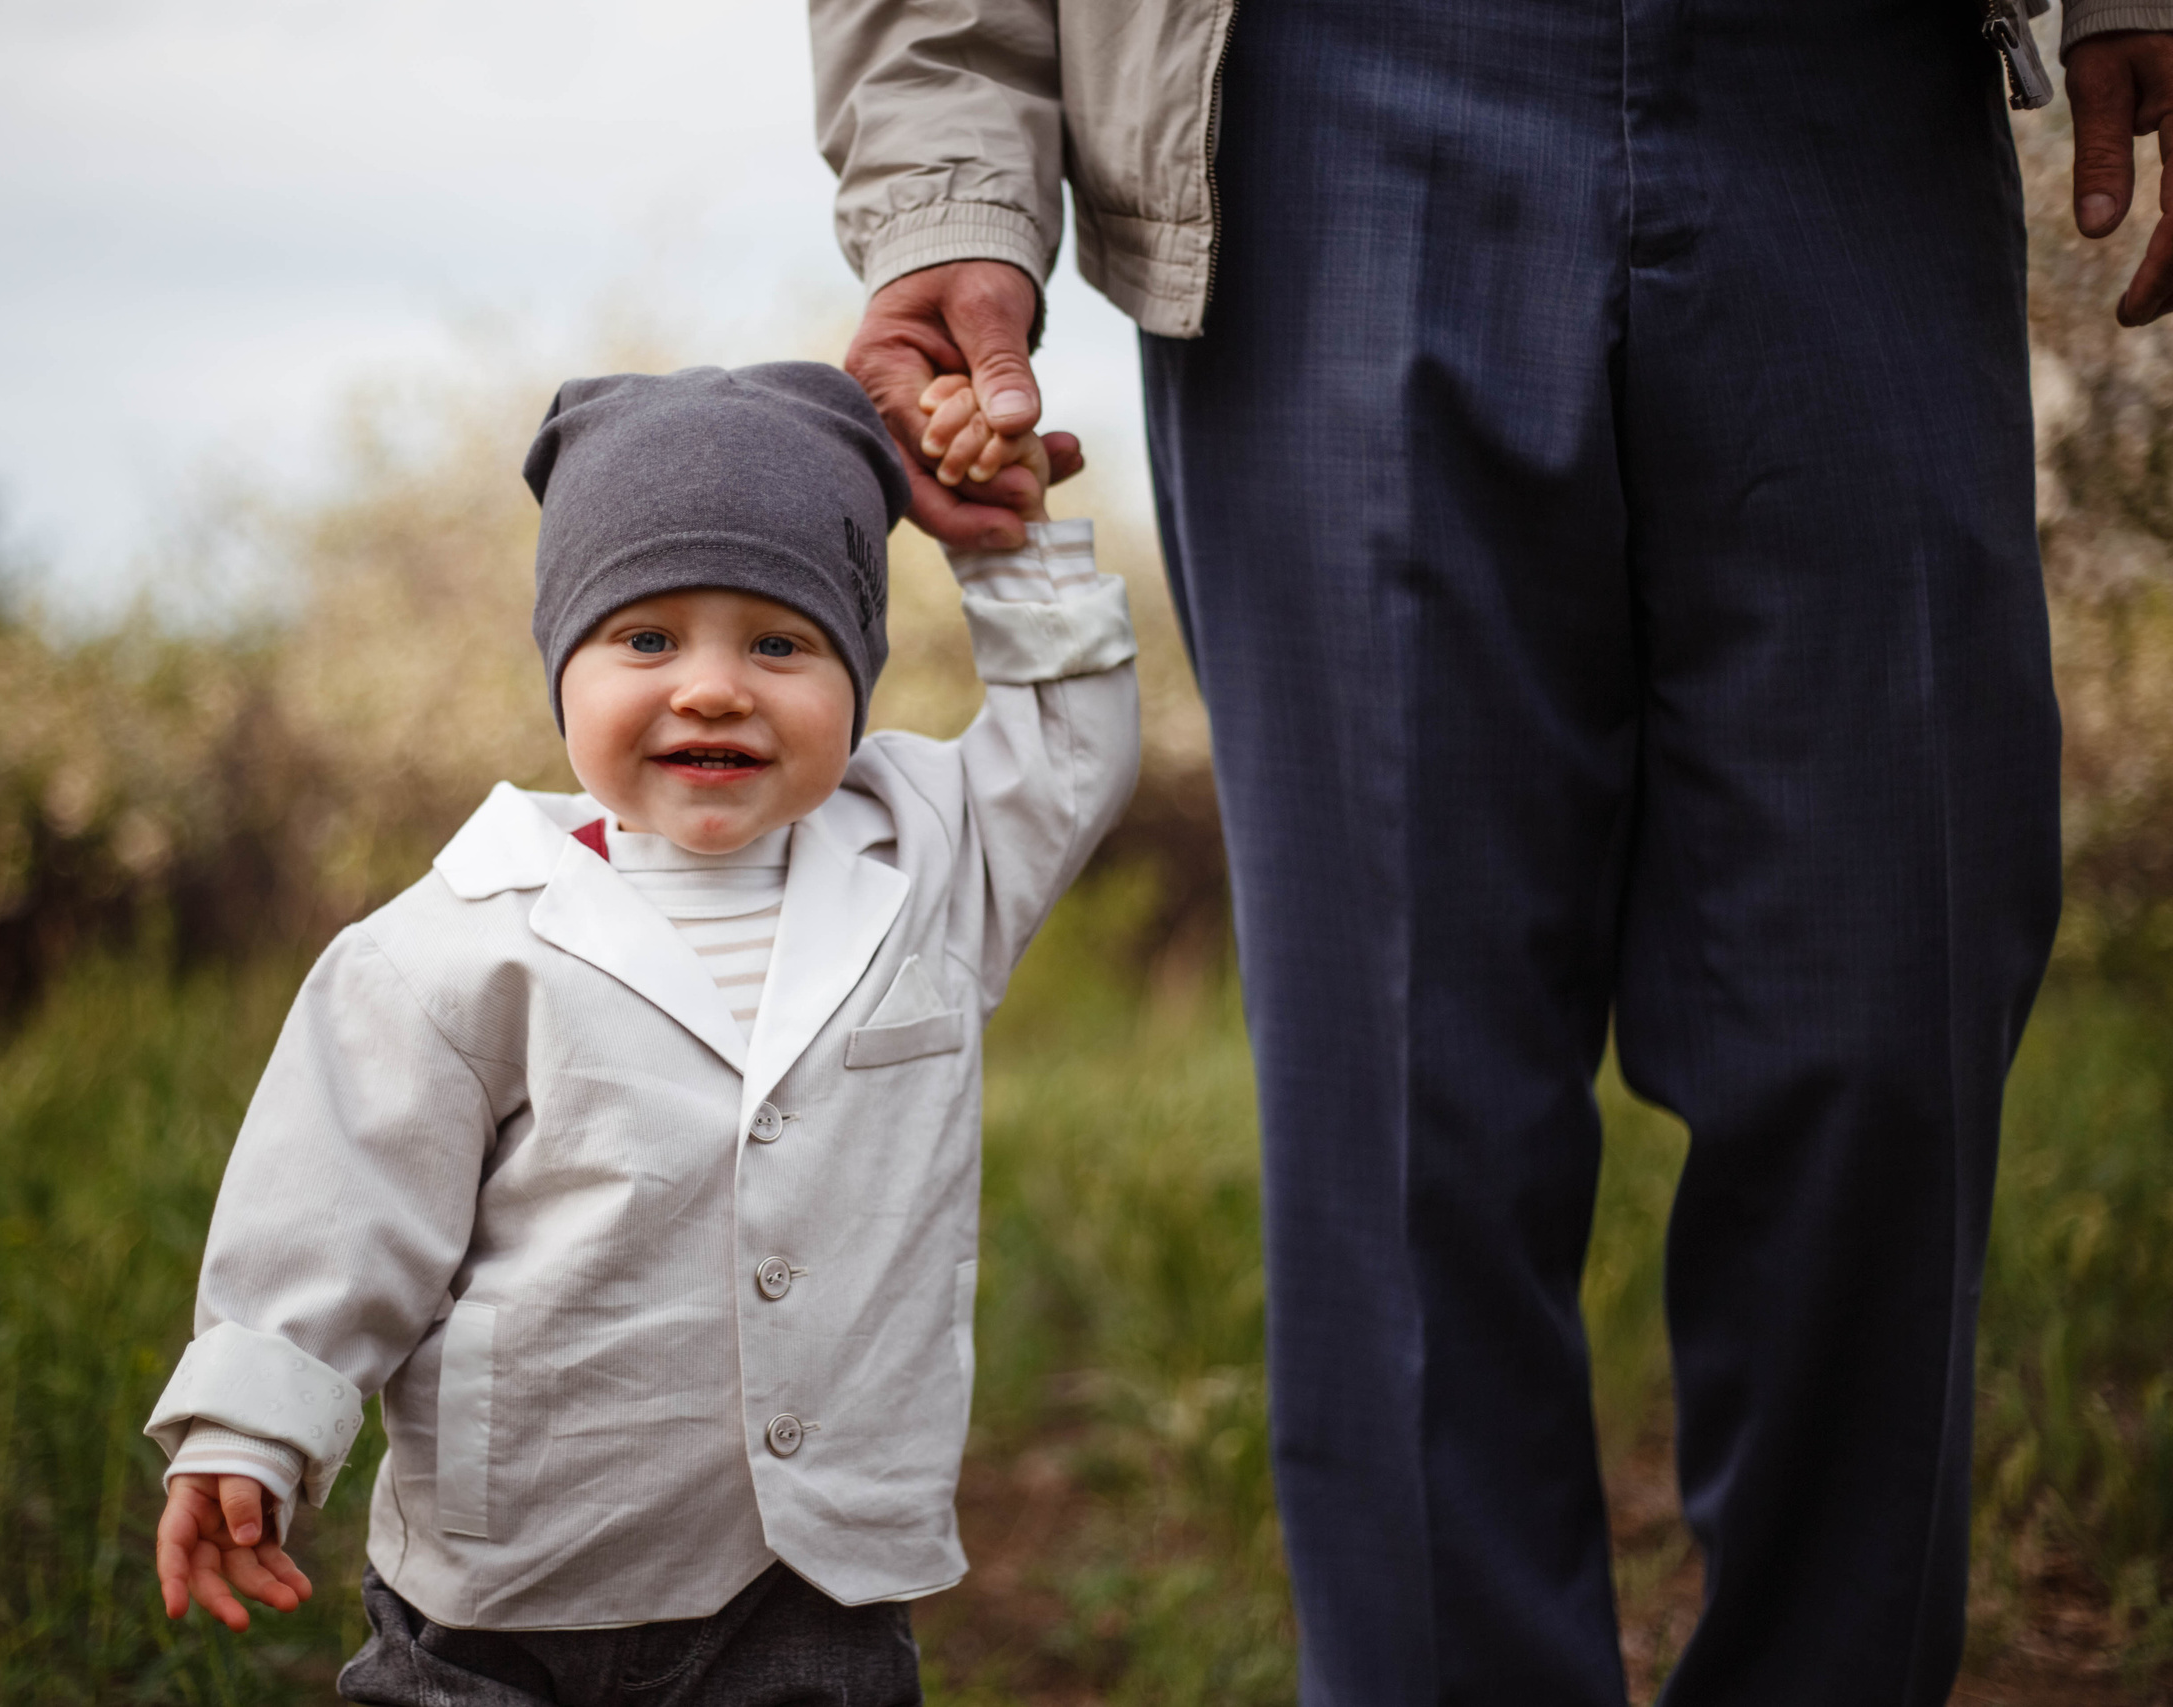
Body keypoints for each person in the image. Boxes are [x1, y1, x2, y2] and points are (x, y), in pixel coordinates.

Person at [807, 1, 2173, 1702]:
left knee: (1887, 1029)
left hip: (1853, 99)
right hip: (1332, 109)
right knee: (1404, 1101)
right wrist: (945, 188)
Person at [138, 360, 1139, 1707]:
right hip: (516, 1583)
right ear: (564, 669)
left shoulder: (929, 868)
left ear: (857, 675)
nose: (714, 689)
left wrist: (1010, 545)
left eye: (779, 645)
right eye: (649, 640)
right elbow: (337, 1200)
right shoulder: (456, 942)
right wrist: (249, 1428)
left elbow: (1072, 756)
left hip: (808, 1582)